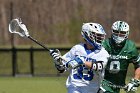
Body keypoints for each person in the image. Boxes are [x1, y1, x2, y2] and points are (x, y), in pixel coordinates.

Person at [50, 22, 109, 93]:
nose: (100, 39)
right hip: (74, 88)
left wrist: (82, 62)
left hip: (92, 90)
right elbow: (62, 69)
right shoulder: (77, 49)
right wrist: (58, 62)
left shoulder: (103, 53)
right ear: (87, 35)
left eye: (101, 36)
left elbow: (99, 66)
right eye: (97, 36)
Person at [100, 21, 140, 93]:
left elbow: (138, 65)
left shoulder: (130, 47)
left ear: (127, 33)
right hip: (103, 84)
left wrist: (135, 80)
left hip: (118, 86)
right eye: (116, 32)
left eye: (122, 33)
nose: (119, 35)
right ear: (112, 31)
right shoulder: (104, 45)